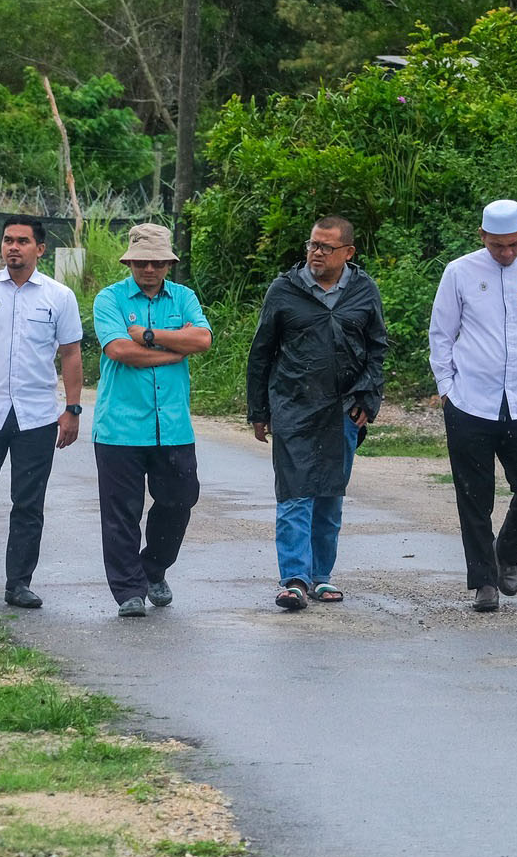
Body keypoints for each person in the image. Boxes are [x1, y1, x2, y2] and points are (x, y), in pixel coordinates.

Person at [428, 199, 517, 613]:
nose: (505, 253)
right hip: (470, 400)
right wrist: (447, 389)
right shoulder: (459, 272)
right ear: (482, 237)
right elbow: (441, 333)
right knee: (474, 494)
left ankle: (505, 552)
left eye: (512, 245)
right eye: (496, 246)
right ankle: (484, 582)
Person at [245, 216, 388, 612]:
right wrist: (258, 409)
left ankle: (322, 577)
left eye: (326, 247)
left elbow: (377, 348)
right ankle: (293, 579)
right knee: (295, 493)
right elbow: (261, 353)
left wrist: (368, 399)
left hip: (344, 409)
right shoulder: (284, 290)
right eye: (312, 245)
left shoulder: (363, 290)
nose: (316, 253)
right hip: (292, 406)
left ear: (348, 253)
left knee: (329, 495)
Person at [0, 216, 85, 609]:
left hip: (37, 415)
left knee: (28, 501)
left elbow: (71, 353)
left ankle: (19, 583)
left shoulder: (59, 297)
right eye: (8, 240)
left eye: (23, 241)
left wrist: (72, 409)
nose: (13, 247)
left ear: (39, 249)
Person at [90, 223, 213, 618]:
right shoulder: (108, 299)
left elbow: (202, 340)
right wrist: (171, 350)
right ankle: (129, 590)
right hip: (120, 428)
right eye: (142, 262)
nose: (149, 269)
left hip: (173, 426)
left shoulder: (184, 297)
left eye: (158, 262)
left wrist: (146, 334)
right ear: (130, 261)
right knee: (121, 511)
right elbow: (119, 351)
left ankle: (153, 568)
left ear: (167, 264)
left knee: (180, 500)